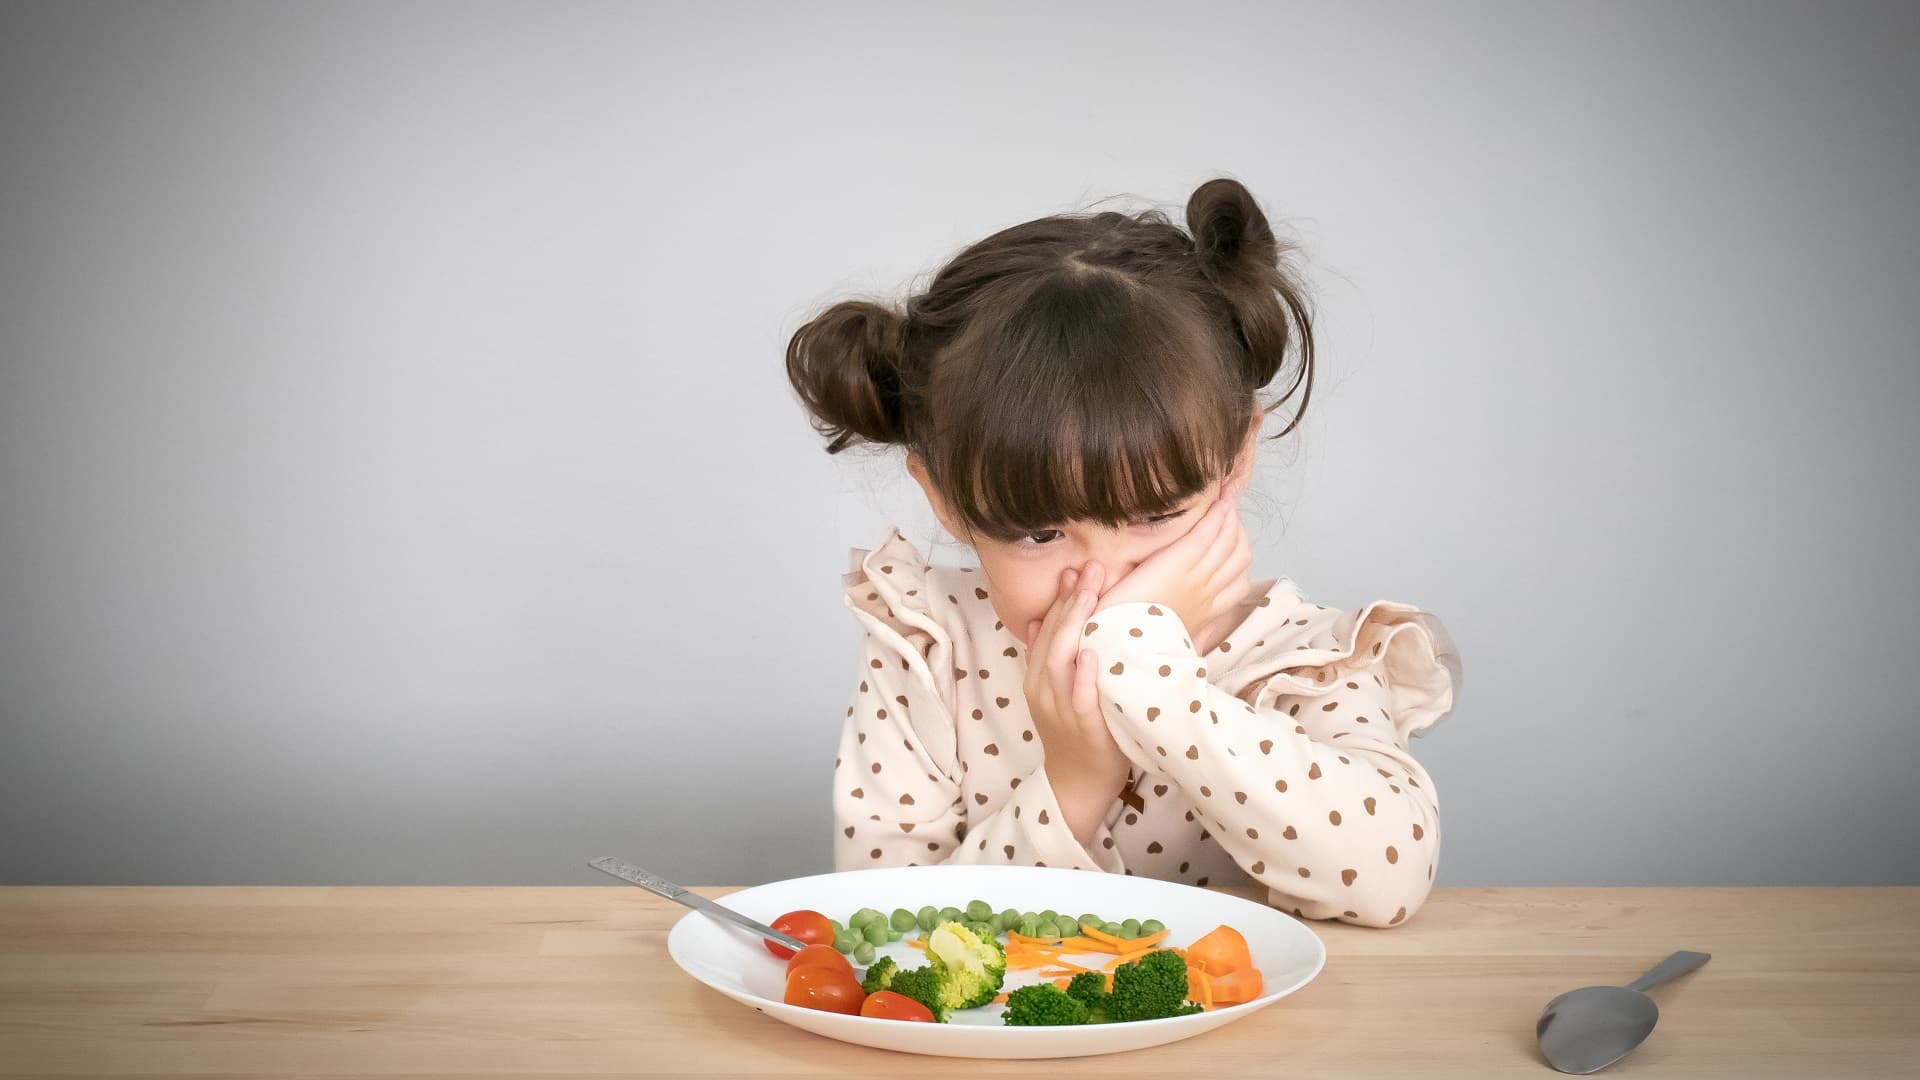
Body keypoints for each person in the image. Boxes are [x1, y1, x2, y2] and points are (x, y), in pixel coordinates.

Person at [783, 177, 1461, 928]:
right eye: (1039, 534)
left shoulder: (1301, 661)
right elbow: (893, 931)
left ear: (1237, 458)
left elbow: (1385, 880)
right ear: (944, 498)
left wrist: (1157, 686)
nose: (1103, 584)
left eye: (1156, 518)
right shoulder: (928, 649)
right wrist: (1076, 781)